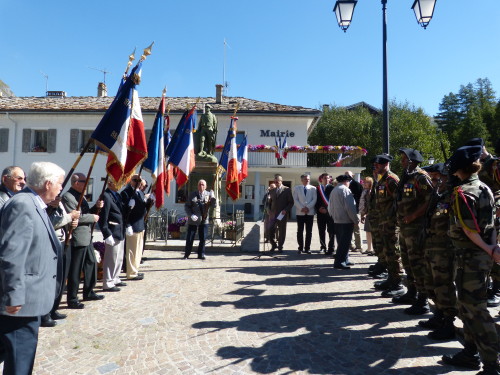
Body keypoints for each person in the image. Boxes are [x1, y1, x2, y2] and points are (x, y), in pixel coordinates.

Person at [0, 161, 64, 375]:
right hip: (21, 304)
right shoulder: (23, 205)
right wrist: (14, 294)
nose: (60, 188)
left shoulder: (34, 203)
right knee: (19, 363)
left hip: (31, 300)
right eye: (60, 183)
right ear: (48, 184)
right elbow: (12, 253)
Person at [441, 145, 500, 375]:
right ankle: (470, 353)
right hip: (481, 256)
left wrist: (486, 247)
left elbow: (469, 230)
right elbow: (492, 223)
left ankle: (491, 364)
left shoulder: (463, 192)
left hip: (470, 257)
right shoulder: (484, 187)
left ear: (459, 168)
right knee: (467, 309)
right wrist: (492, 247)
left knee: (476, 312)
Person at [419, 163, 458, 341]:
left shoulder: (453, 195)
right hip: (431, 246)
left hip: (444, 249)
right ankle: (439, 315)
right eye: (435, 177)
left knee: (444, 286)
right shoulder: (438, 195)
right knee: (431, 284)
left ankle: (448, 322)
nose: (436, 180)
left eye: (439, 177)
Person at [396, 148, 434, 314]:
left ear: (412, 160)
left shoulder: (420, 177)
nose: (402, 161)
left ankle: (423, 299)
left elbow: (430, 200)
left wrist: (413, 216)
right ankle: (412, 292)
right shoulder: (406, 176)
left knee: (417, 263)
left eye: (404, 159)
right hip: (405, 227)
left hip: (415, 227)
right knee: (408, 262)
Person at [62, 173, 105, 304]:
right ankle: (72, 298)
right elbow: (74, 216)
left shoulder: (82, 197)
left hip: (86, 237)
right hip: (77, 237)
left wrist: (96, 207)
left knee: (91, 264)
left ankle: (89, 291)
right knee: (76, 269)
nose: (86, 185)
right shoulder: (68, 197)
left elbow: (85, 212)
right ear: (76, 183)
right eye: (84, 182)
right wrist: (92, 218)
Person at [41, 197, 79, 327]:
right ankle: (45, 313)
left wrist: (72, 223)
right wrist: (69, 217)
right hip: (51, 243)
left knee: (61, 278)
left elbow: (62, 220)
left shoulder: (58, 202)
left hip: (63, 241)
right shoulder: (43, 203)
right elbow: (50, 223)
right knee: (51, 280)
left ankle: (53, 309)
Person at [372, 154, 406, 298]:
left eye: (378, 164)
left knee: (394, 253)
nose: (376, 167)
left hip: (391, 223)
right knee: (387, 252)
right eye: (375, 164)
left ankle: (398, 283)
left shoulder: (392, 180)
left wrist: (395, 220)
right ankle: (391, 279)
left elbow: (398, 201)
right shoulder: (382, 180)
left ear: (386, 164)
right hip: (384, 222)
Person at [98, 179, 127, 292]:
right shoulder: (106, 195)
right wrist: (106, 233)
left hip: (120, 230)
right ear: (110, 183)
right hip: (112, 230)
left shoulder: (117, 195)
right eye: (117, 182)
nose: (121, 184)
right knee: (111, 258)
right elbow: (103, 216)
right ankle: (108, 282)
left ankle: (115, 278)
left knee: (119, 257)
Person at [328, 175, 359, 269]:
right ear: (346, 181)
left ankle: (345, 259)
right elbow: (350, 207)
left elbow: (330, 207)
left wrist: (334, 217)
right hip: (346, 220)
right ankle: (339, 262)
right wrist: (355, 219)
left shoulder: (334, 190)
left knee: (341, 241)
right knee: (344, 243)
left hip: (337, 220)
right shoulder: (345, 190)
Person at [121, 175, 148, 280]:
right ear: (130, 181)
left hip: (140, 224)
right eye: (135, 180)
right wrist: (127, 225)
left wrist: (149, 202)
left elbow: (143, 210)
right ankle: (131, 273)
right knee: (131, 251)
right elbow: (124, 211)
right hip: (132, 225)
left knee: (138, 251)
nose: (137, 182)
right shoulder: (126, 192)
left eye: (139, 180)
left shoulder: (139, 192)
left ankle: (135, 270)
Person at [183, 180, 216, 259]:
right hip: (193, 220)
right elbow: (187, 206)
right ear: (197, 186)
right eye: (200, 184)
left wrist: (213, 197)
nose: (201, 186)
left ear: (206, 186)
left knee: (203, 238)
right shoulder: (192, 195)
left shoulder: (209, 195)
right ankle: (187, 254)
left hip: (204, 220)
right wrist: (191, 215)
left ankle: (201, 254)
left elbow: (214, 205)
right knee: (190, 238)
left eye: (203, 184)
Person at [268, 174, 294, 253]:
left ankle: (280, 246)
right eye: (275, 181)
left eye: (277, 181)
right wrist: (269, 211)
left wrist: (285, 210)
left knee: (282, 231)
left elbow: (291, 202)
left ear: (281, 181)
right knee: (269, 230)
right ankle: (273, 244)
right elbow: (269, 203)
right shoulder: (272, 190)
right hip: (273, 214)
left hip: (282, 214)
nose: (276, 182)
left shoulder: (287, 190)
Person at [292, 174, 317, 254]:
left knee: (309, 231)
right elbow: (295, 199)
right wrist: (301, 208)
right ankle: (300, 247)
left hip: (310, 212)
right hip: (300, 212)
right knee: (300, 231)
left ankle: (307, 248)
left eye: (308, 179)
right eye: (306, 179)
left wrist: (308, 208)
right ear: (301, 180)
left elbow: (314, 199)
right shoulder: (297, 188)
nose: (307, 180)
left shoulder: (313, 188)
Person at [315, 173, 335, 255]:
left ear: (330, 179)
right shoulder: (317, 189)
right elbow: (315, 200)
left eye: (328, 178)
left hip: (330, 213)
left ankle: (331, 248)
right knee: (321, 230)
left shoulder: (333, 188)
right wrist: (318, 208)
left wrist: (327, 209)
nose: (326, 179)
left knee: (331, 231)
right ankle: (323, 247)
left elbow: (334, 201)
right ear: (321, 179)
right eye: (325, 178)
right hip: (320, 213)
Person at [346, 171, 363, 251]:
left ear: (352, 175)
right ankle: (351, 245)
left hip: (355, 209)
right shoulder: (344, 185)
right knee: (348, 228)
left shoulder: (357, 184)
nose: (347, 176)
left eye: (349, 175)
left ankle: (358, 246)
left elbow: (360, 198)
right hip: (346, 210)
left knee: (356, 228)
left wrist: (358, 209)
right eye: (346, 175)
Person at [358, 177, 374, 254]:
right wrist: (362, 214)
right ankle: (369, 248)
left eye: (366, 182)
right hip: (367, 214)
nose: (364, 183)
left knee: (372, 232)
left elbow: (370, 204)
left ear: (370, 183)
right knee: (368, 231)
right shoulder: (365, 191)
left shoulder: (370, 192)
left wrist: (366, 213)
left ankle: (373, 249)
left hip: (371, 214)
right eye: (364, 182)